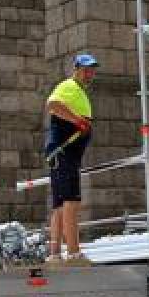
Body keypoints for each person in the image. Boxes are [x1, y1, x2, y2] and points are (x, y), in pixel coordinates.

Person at [45, 53, 98, 268]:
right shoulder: (69, 86)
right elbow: (53, 104)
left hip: (61, 154)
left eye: (92, 69)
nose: (89, 73)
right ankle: (74, 253)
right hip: (64, 152)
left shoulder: (78, 90)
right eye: (85, 69)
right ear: (76, 69)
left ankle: (55, 254)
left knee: (59, 204)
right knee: (71, 201)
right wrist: (78, 120)